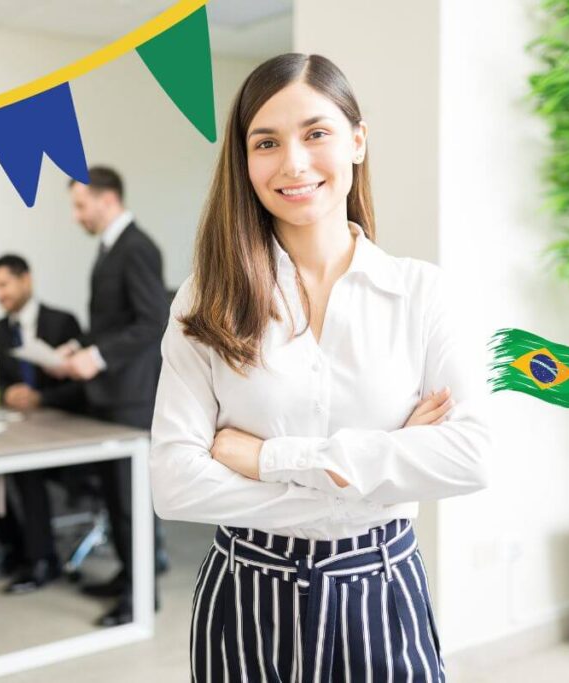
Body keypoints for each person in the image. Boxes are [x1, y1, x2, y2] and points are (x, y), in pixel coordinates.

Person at [149, 53, 491, 682]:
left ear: (358, 141)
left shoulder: (420, 293)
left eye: (316, 133)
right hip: (245, 596)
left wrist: (270, 459)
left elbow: (470, 457)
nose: (293, 163)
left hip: (383, 594)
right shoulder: (208, 297)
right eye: (266, 142)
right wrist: (377, 473)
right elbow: (175, 484)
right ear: (244, 162)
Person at [58, 166, 169, 627]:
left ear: (107, 200)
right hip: (109, 397)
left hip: (131, 398)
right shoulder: (110, 248)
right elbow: (115, 322)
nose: (77, 217)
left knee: (130, 504)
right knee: (115, 499)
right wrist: (82, 347)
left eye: (81, 206)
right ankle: (130, 575)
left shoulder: (137, 247)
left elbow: (152, 322)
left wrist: (98, 356)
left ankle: (141, 597)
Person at [0, 253, 86, 593]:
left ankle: (43, 561)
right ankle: (16, 550)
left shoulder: (62, 321)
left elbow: (84, 388)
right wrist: (7, 393)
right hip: (21, 428)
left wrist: (42, 399)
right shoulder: (0, 329)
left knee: (25, 471)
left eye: (3, 284)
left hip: (65, 430)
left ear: (25, 279)